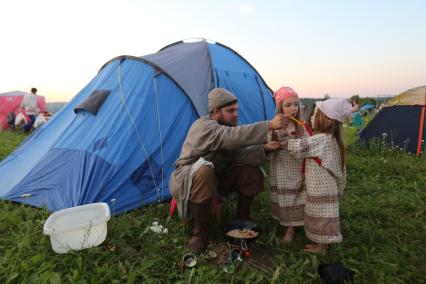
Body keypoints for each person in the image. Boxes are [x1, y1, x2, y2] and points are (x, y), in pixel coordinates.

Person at [169, 88, 288, 252]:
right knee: (204, 170)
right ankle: (200, 233)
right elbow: (230, 137)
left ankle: (241, 221)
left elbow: (240, 155)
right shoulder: (204, 126)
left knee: (250, 172)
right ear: (215, 111)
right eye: (230, 111)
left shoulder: (226, 127)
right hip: (188, 177)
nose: (236, 114)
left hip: (217, 177)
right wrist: (269, 125)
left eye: (236, 110)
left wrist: (265, 149)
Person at [284, 98, 352, 254]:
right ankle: (320, 244)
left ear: (326, 120)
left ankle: (321, 248)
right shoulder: (332, 139)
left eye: (315, 115)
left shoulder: (321, 139)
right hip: (327, 187)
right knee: (321, 215)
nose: (312, 118)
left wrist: (289, 134)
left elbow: (297, 148)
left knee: (320, 216)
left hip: (320, 188)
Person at [268, 87, 310, 244]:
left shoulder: (301, 125)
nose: (293, 108)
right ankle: (285, 223)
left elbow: (307, 143)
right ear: (280, 107)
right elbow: (267, 143)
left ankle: (291, 229)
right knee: (285, 197)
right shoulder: (274, 126)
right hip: (281, 168)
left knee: (296, 196)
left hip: (297, 167)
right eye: (288, 105)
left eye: (296, 104)